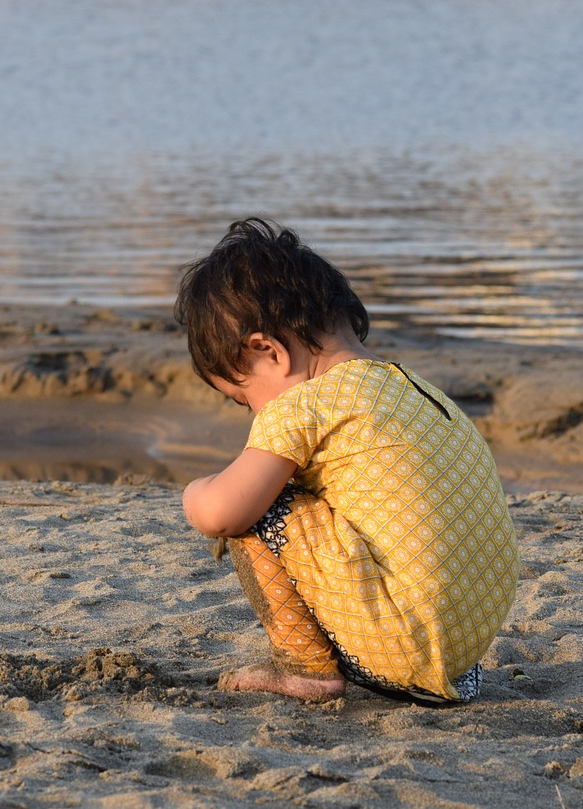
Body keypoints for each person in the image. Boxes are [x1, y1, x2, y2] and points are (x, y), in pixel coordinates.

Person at [176, 218, 519, 704]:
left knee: (255, 506)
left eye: (243, 398)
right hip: (464, 652)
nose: (254, 413)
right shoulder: (410, 389)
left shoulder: (305, 405)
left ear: (269, 351)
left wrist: (196, 493)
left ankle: (306, 670)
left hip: (402, 647)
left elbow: (224, 511)